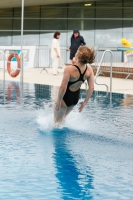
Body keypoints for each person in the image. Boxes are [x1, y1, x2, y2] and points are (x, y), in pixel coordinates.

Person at [54, 46, 95, 125]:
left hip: (65, 98)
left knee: (56, 123)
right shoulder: (89, 69)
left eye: (76, 52)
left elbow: (63, 88)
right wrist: (84, 102)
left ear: (78, 56)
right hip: (74, 99)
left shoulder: (69, 69)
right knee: (63, 121)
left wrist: (58, 101)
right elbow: (92, 87)